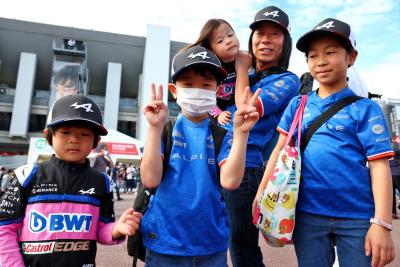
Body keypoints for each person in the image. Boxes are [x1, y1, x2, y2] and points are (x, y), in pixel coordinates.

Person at [255, 18, 395, 267]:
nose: (320, 61)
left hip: (357, 217)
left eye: (330, 52)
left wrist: (382, 223)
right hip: (307, 214)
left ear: (351, 57)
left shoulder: (366, 109)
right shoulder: (298, 105)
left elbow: (379, 167)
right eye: (312, 55)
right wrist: (262, 192)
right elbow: (278, 150)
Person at [140, 46, 260, 267]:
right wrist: (154, 128)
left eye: (206, 85)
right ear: (173, 90)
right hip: (165, 245)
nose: (197, 90)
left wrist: (242, 133)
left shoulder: (221, 134)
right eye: (187, 84)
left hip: (211, 246)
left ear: (217, 90)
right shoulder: (166, 129)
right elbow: (150, 179)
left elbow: (230, 181)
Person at [0, 95, 142, 267]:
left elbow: (101, 230)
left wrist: (117, 229)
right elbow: (4, 229)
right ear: (49, 135)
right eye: (65, 132)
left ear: (96, 141)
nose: (74, 139)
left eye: (84, 134)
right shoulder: (27, 175)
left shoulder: (101, 181)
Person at [223, 6, 300, 266]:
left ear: (285, 42)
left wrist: (242, 66)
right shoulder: (235, 74)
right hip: (218, 159)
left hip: (247, 165)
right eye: (260, 33)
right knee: (215, 236)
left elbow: (246, 107)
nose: (266, 39)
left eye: (275, 34)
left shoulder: (288, 80)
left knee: (241, 246)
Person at [188, 18, 240, 130]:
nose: (228, 41)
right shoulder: (211, 69)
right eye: (220, 41)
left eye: (230, 35)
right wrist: (218, 114)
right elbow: (204, 97)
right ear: (211, 50)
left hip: (234, 108)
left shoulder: (245, 60)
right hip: (212, 112)